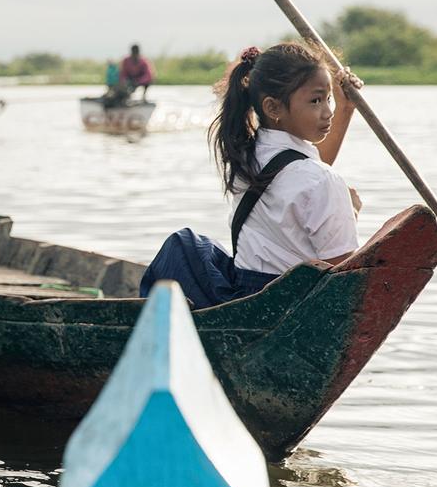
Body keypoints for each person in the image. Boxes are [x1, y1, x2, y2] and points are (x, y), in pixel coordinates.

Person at [139, 41, 363, 308]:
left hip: (245, 292)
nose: (328, 111)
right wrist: (351, 214)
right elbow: (346, 278)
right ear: (273, 108)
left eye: (329, 99)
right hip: (288, 304)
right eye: (315, 101)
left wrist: (346, 109)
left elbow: (301, 172)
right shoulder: (321, 181)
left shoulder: (244, 153)